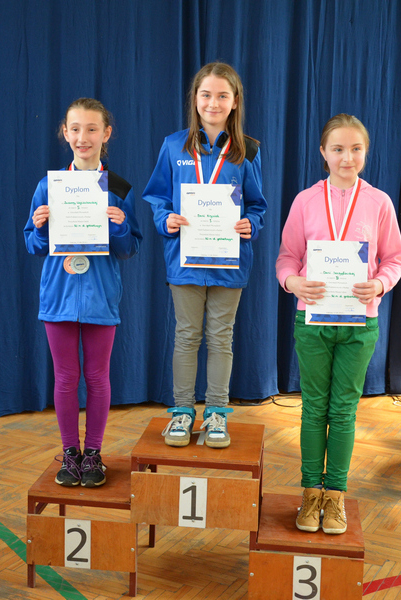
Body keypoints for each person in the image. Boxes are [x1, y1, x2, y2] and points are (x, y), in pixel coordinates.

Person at [276, 114, 401, 534]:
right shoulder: (305, 201)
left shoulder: (379, 202)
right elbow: (287, 258)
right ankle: (310, 493)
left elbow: (395, 259)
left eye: (355, 149)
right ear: (323, 153)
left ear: (365, 153)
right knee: (314, 408)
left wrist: (380, 283)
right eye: (338, 149)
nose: (347, 157)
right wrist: (292, 281)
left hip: (359, 323)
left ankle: (335, 496)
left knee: (344, 411)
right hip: (312, 319)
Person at [143, 62, 267, 449]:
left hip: (230, 262)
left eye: (222, 96)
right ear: (195, 99)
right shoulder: (173, 145)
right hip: (185, 260)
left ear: (235, 102)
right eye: (206, 94)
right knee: (186, 335)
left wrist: (251, 224)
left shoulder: (248, 150)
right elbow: (157, 197)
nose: (213, 103)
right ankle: (182, 412)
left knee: (221, 338)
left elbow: (257, 205)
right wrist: (165, 219)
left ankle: (216, 414)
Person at [24, 98, 142, 487]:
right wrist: (40, 228)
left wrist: (120, 226)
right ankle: (70, 453)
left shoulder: (118, 188)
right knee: (64, 377)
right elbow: (33, 245)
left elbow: (129, 248)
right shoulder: (49, 186)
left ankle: (93, 453)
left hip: (101, 297)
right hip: (58, 297)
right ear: (65, 133)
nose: (83, 137)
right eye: (75, 129)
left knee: (97, 376)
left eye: (92, 129)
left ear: (106, 134)